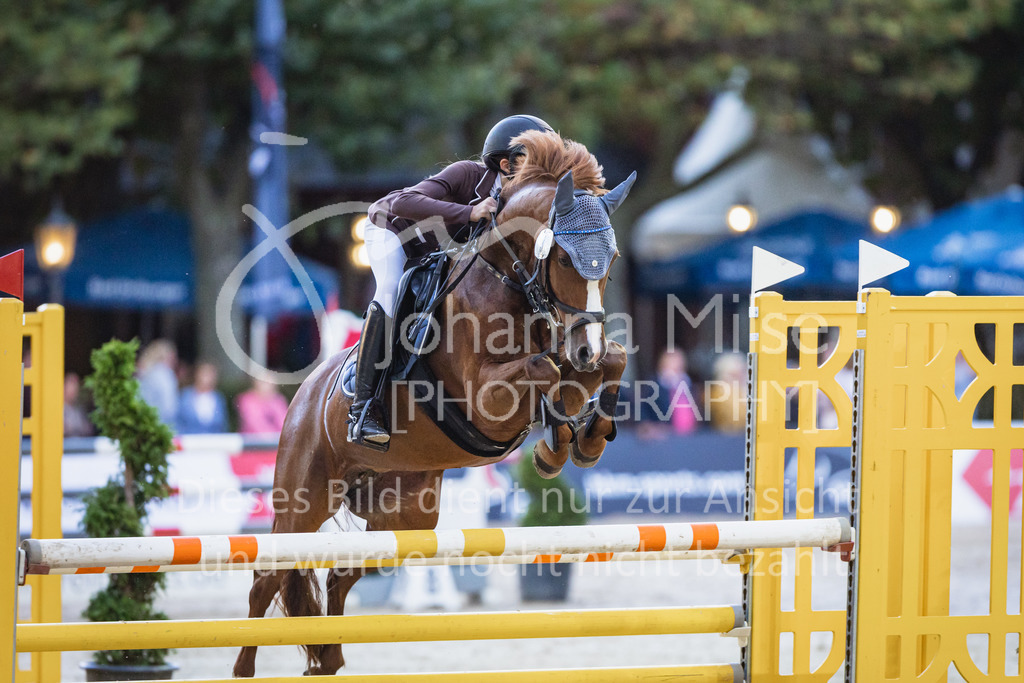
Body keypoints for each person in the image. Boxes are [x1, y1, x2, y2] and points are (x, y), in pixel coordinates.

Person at [352, 114, 555, 450]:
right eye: (535, 165)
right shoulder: (467, 174)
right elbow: (402, 201)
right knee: (390, 292)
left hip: (437, 254)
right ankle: (363, 408)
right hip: (392, 231)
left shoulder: (519, 205)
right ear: (505, 164)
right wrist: (468, 212)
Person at [176, 361, 229, 434]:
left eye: (211, 375)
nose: (207, 378)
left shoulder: (219, 398)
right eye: (204, 374)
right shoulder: (185, 395)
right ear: (197, 375)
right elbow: (178, 422)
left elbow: (223, 426)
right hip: (190, 441)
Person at [137, 339, 179, 428]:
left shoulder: (145, 374)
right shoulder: (165, 374)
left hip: (144, 424)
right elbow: (169, 408)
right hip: (161, 426)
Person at [63, 372, 94, 437]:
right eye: (71, 388)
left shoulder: (79, 410)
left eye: (76, 388)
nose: (73, 392)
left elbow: (87, 429)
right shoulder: (59, 408)